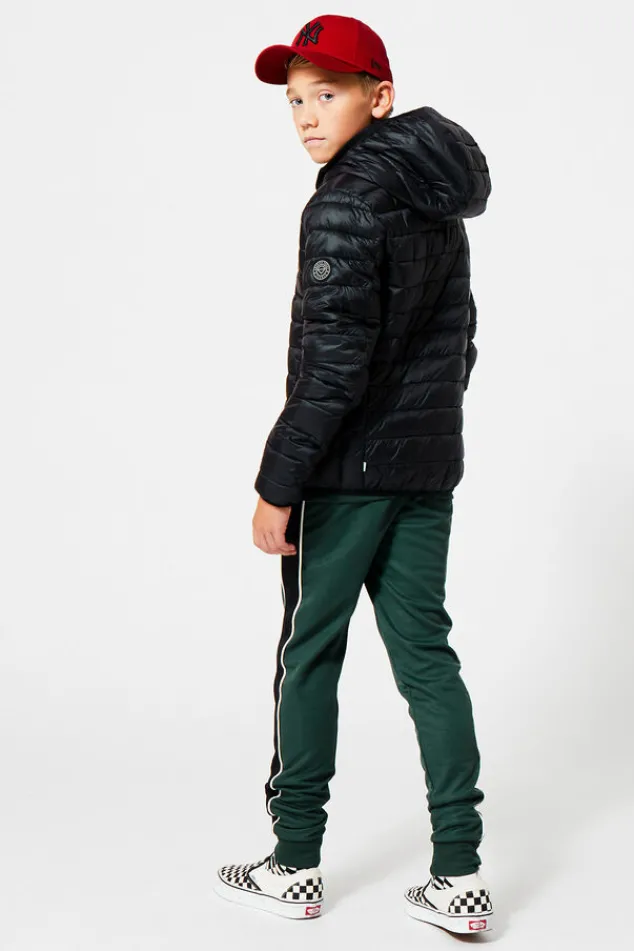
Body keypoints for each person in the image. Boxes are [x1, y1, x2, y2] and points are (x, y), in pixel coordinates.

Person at [213, 14, 494, 934]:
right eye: (296, 99)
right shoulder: (434, 194)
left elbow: (333, 366)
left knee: (309, 653)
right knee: (428, 658)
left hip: (342, 478)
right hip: (425, 468)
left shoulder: (344, 201)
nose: (305, 115)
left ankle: (294, 862)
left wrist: (278, 483)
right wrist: (424, 435)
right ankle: (461, 875)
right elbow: (459, 341)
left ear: (379, 98)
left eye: (326, 93)